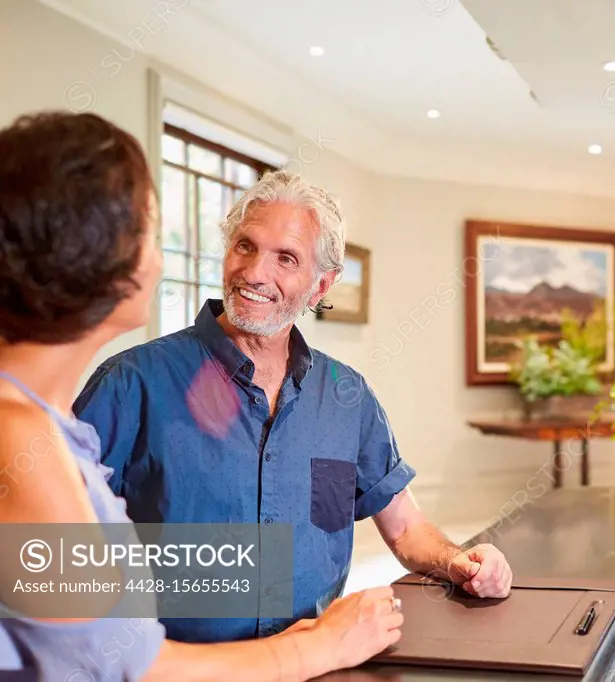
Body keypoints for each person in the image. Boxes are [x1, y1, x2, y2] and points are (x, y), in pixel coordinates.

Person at [0, 111, 403, 680]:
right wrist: (321, 645)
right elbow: (126, 666)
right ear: (89, 259)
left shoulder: (37, 427)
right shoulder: (22, 438)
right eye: (146, 228)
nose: (160, 253)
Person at [71, 165, 512, 644]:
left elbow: (405, 529)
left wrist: (459, 561)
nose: (254, 273)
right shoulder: (131, 382)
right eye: (246, 246)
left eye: (285, 258)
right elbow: (50, 553)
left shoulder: (347, 398)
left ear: (321, 286)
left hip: (318, 662)